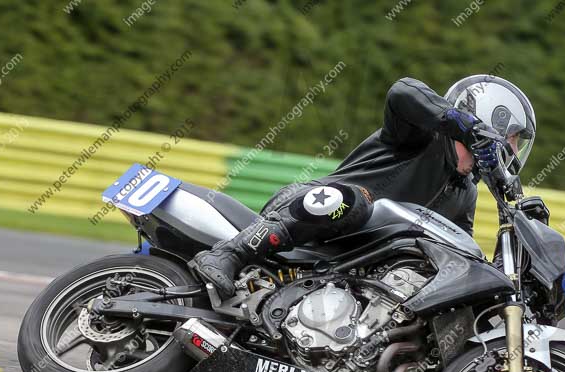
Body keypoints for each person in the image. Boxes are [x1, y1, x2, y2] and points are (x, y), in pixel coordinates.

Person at [189, 75, 537, 299]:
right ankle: (229, 253)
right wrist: (465, 126)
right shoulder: (420, 138)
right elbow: (402, 91)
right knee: (353, 202)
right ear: (486, 119)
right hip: (312, 217)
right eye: (509, 139)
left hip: (350, 274)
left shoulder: (465, 194)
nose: (509, 151)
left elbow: (461, 260)